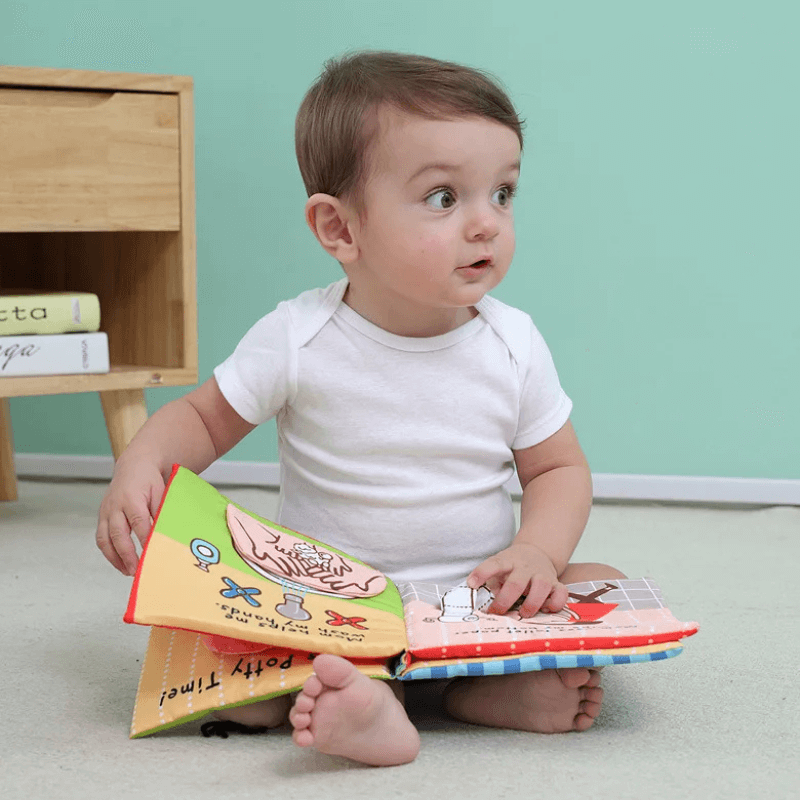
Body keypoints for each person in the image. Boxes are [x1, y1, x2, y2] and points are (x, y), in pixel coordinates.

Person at [96, 51, 625, 766]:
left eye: (502, 194)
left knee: (601, 582)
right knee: (241, 640)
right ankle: (375, 700)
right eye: (445, 198)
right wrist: (143, 460)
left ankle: (470, 688)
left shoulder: (513, 344)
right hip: (334, 611)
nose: (486, 224)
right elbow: (201, 418)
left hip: (469, 606)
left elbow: (558, 467)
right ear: (340, 229)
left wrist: (536, 552)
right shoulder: (299, 338)